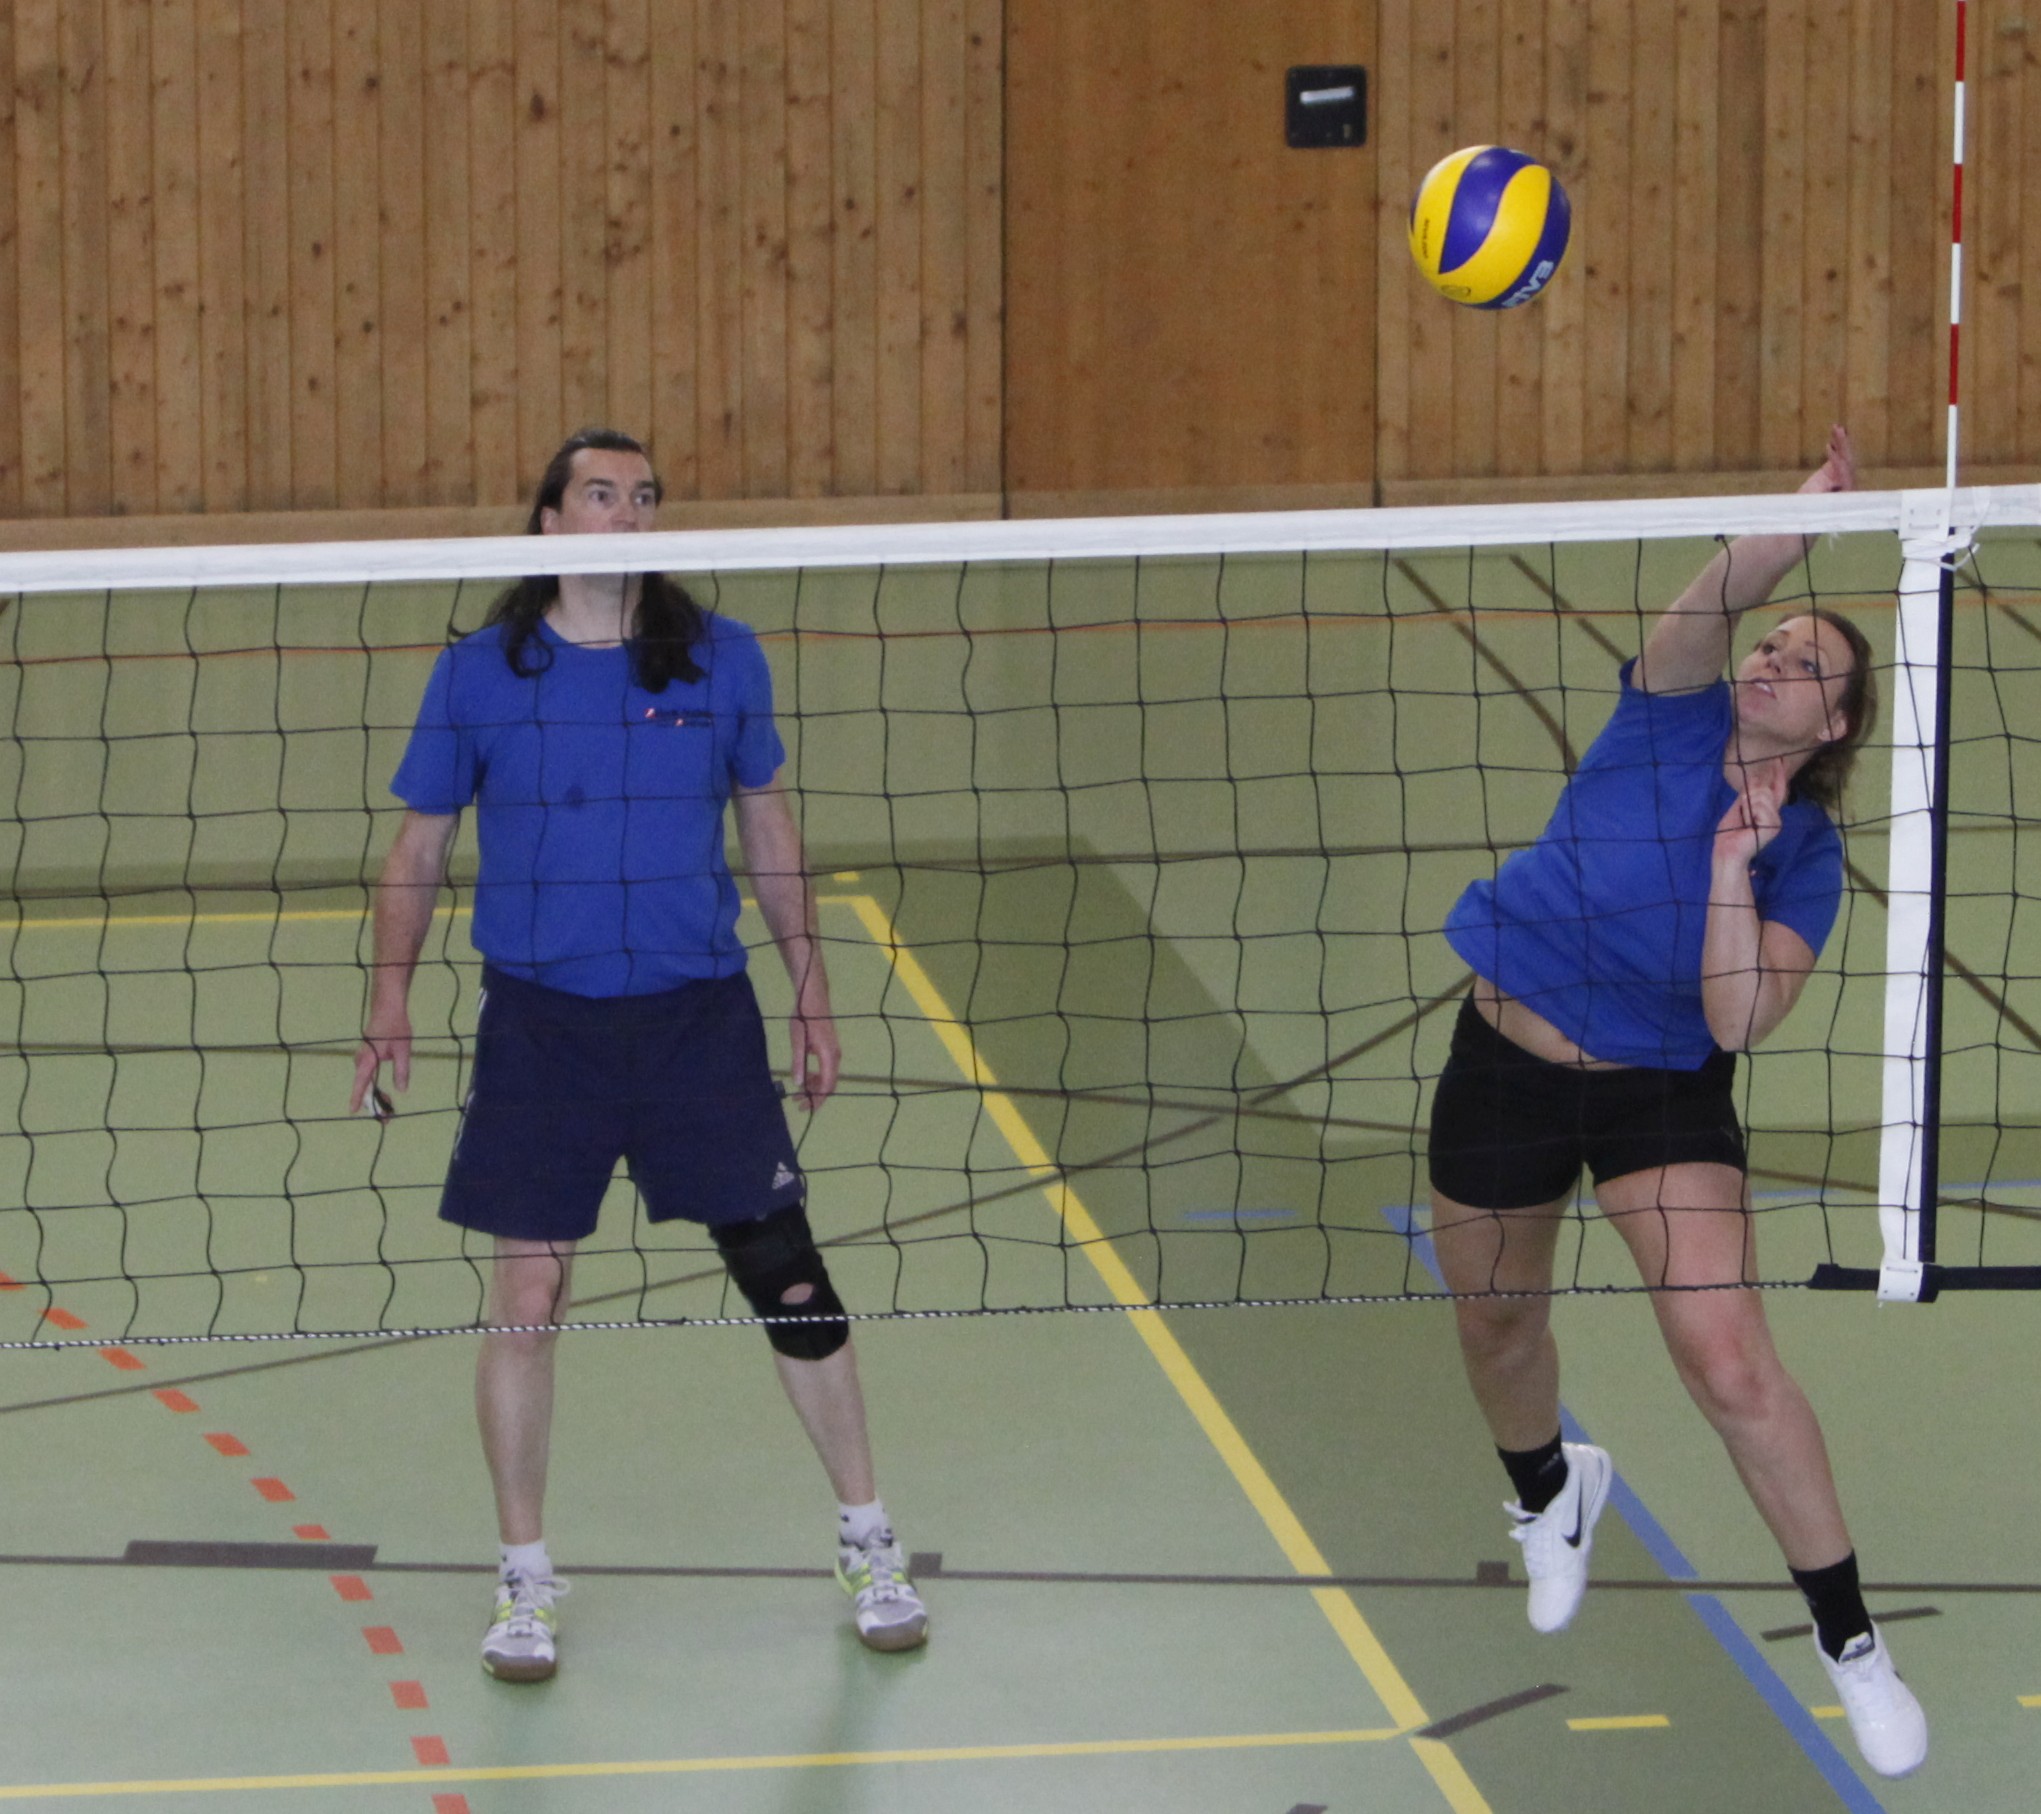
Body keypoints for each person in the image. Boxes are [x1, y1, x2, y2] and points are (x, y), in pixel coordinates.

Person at [351, 428, 928, 1681]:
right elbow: (418, 847)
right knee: (527, 1298)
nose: (628, 513)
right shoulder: (479, 672)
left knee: (791, 1280)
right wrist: (387, 994)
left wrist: (811, 987)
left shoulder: (722, 656)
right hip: (542, 1027)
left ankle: (870, 1538)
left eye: (645, 496)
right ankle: (523, 1573)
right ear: (551, 522)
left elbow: (767, 823)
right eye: (602, 494)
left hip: (696, 1023)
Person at [1427, 426, 1925, 1778]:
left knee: (1728, 1360)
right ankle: (1550, 1487)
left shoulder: (1803, 858)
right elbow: (1715, 592)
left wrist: (1725, 868)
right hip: (1506, 1059)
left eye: (1805, 666)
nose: (1769, 659)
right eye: (1775, 643)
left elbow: (1736, 1018)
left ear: (1832, 728)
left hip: (1661, 1092)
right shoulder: (1666, 702)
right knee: (1494, 1316)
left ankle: (1850, 1640)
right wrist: (1797, 518)